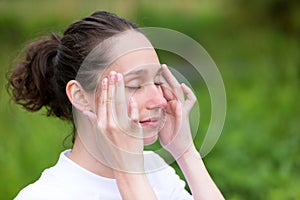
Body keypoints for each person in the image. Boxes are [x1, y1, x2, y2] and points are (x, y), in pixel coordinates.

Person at [7, 11, 224, 199]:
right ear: (81, 97)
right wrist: (129, 172)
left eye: (157, 81)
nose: (159, 100)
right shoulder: (46, 196)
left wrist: (186, 153)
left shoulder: (157, 173)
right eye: (135, 85)